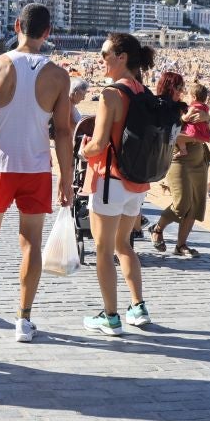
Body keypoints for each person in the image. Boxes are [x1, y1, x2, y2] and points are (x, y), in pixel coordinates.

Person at [0, 3, 73, 343]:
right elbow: (64, 132)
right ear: (48, 33)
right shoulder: (58, 75)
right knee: (31, 244)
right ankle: (23, 320)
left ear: (16, 26)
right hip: (37, 168)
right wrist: (66, 179)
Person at [78, 33, 155, 336]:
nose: (102, 60)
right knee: (124, 244)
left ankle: (110, 316)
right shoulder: (143, 91)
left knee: (103, 249)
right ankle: (137, 306)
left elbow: (98, 144)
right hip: (137, 183)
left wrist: (83, 149)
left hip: (111, 181)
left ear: (122, 57)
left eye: (105, 54)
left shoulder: (112, 94)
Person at [148, 71, 210, 259]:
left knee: (195, 205)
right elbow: (164, 133)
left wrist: (207, 119)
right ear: (168, 87)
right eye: (178, 87)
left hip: (199, 158)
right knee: (182, 202)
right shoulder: (160, 106)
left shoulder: (186, 107)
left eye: (183, 87)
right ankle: (157, 228)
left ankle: (181, 245)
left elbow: (203, 125)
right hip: (178, 160)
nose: (181, 91)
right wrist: (188, 131)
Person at [175, 83, 210, 158]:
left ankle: (183, 150)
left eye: (189, 96)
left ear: (194, 97)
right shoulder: (205, 108)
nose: (187, 98)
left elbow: (186, 118)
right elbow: (208, 122)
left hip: (193, 132)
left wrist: (183, 116)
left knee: (176, 136)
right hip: (202, 132)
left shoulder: (192, 108)